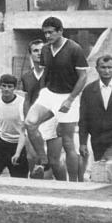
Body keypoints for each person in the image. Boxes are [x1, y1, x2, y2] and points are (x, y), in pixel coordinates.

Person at [24, 17, 88, 182]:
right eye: (45, 33)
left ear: (60, 31)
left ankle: (73, 183)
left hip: (68, 95)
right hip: (49, 94)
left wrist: (70, 100)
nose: (47, 36)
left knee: (67, 143)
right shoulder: (45, 50)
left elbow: (83, 77)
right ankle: (43, 159)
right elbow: (46, 73)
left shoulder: (74, 49)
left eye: (51, 32)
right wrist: (42, 92)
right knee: (30, 123)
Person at [21, 39, 66, 180]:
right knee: (32, 157)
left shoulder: (55, 74)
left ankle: (66, 187)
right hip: (34, 121)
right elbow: (27, 99)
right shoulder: (26, 76)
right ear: (30, 54)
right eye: (35, 51)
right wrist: (25, 119)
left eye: (42, 50)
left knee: (55, 162)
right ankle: (35, 191)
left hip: (51, 119)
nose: (39, 53)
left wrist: (60, 121)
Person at [0, 74, 29, 178]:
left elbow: (25, 131)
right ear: (0, 86)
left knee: (19, 181)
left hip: (19, 145)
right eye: (4, 86)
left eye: (10, 86)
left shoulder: (22, 103)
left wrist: (18, 153)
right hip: (2, 144)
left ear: (14, 88)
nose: (6, 89)